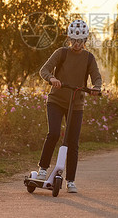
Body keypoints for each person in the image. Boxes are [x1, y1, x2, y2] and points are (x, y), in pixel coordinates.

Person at [37, 19, 102, 193]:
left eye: (80, 41)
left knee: (72, 142)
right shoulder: (61, 53)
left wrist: (96, 88)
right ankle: (43, 169)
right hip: (56, 101)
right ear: (69, 38)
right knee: (54, 133)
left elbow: (96, 76)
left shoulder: (89, 58)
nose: (77, 44)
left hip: (77, 104)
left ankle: (70, 180)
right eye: (74, 40)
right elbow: (44, 69)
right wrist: (52, 78)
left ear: (85, 40)